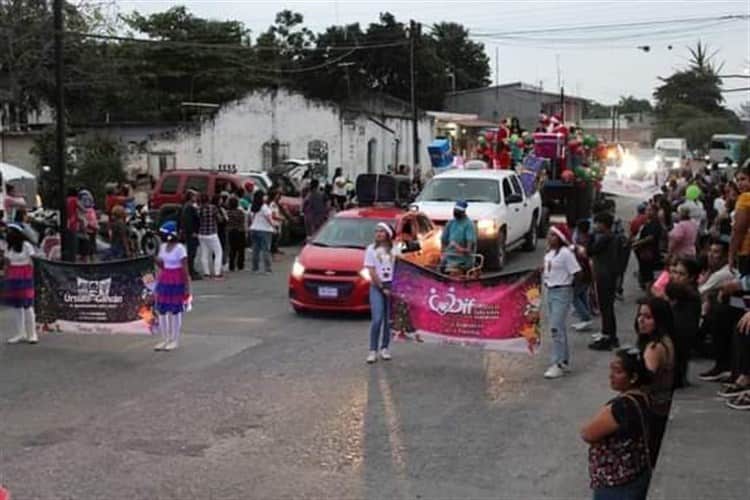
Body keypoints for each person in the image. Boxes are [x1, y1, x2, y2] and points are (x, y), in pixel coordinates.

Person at [581, 348, 654, 500]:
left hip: (616, 485)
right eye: (611, 370)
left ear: (633, 377)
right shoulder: (644, 396)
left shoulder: (621, 407)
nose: (611, 376)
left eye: (618, 371)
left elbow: (588, 433)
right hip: (636, 474)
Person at [634, 296, 675, 463]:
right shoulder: (665, 340)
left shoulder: (654, 348)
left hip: (653, 411)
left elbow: (645, 380)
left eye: (648, 317)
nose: (641, 321)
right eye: (640, 316)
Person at [542, 224, 581, 379]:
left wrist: (572, 290)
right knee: (559, 327)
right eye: (549, 234)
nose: (549, 238)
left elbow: (577, 272)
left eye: (553, 235)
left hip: (562, 291)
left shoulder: (565, 254)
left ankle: (557, 363)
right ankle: (564, 360)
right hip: (550, 290)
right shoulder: (549, 254)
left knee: (555, 328)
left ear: (560, 238)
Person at [697, 239, 739, 381]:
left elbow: (700, 291)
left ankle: (723, 365)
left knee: (718, 315)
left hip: (727, 312)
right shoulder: (714, 271)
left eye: (716, 252)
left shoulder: (724, 273)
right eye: (710, 251)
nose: (711, 255)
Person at [364, 222, 398, 364]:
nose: (378, 234)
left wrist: (394, 287)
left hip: (392, 286)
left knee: (388, 320)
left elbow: (399, 268)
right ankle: (373, 350)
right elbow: (371, 271)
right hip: (377, 286)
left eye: (381, 231)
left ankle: (385, 347)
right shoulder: (370, 249)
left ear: (388, 234)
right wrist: (382, 286)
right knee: (377, 318)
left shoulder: (395, 250)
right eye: (376, 231)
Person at [665, 257, 702, 388]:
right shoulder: (683, 293)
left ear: (691, 278)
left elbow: (668, 288)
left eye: (681, 274)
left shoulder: (688, 293)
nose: (676, 277)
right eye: (675, 272)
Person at [154, 221, 190, 352]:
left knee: (175, 310)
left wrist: (187, 285)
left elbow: (185, 268)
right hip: (164, 278)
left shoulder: (180, 248)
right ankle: (164, 339)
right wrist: (155, 259)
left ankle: (175, 339)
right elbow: (162, 265)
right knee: (162, 310)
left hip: (176, 279)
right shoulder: (162, 247)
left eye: (164, 234)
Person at [588, 212, 621, 351]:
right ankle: (610, 336)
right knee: (607, 308)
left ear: (604, 224)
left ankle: (607, 337)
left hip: (604, 277)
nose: (595, 226)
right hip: (609, 276)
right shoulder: (612, 237)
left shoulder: (605, 238)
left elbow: (590, 250)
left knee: (605, 308)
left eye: (597, 223)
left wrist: (590, 236)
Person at [4, 224, 38, 344]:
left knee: (27, 305)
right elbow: (7, 262)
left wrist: (34, 274)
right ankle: (20, 333)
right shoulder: (9, 247)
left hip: (25, 275)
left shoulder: (27, 246)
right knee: (17, 306)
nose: (7, 234)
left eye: (9, 232)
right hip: (13, 276)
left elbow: (34, 261)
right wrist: (5, 274)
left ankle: (32, 334)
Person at [440, 200, 477, 275]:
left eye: (458, 211)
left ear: (463, 212)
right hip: (449, 257)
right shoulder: (451, 223)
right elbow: (443, 240)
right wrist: (443, 252)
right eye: (455, 210)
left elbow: (469, 250)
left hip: (462, 259)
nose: (456, 213)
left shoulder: (469, 225)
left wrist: (457, 247)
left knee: (452, 273)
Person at [631, 203, 663, 289]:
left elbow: (650, 237)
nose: (647, 212)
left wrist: (637, 243)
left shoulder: (655, 223)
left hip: (649, 252)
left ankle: (649, 294)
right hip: (644, 252)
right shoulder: (648, 222)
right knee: (645, 273)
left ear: (655, 212)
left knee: (648, 275)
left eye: (650, 210)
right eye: (647, 210)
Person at [571, 219, 594, 332]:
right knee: (582, 294)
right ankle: (585, 316)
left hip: (581, 272)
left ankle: (585, 317)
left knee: (573, 296)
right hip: (587, 272)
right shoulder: (589, 239)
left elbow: (580, 257)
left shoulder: (580, 243)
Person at [728, 164, 750, 275]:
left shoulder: (745, 198)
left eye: (743, 179)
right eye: (737, 180)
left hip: (746, 251)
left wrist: (731, 255)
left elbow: (739, 230)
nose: (739, 183)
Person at [249, 191, 276, 274]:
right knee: (266, 250)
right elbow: (268, 218)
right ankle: (268, 269)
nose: (266, 197)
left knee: (255, 250)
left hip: (254, 229)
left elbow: (251, 218)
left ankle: (255, 268)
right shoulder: (264, 207)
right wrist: (274, 227)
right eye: (264, 196)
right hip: (265, 230)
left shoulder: (252, 206)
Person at [197, 193, 224, 280]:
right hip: (212, 233)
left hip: (202, 233)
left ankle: (206, 273)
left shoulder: (199, 209)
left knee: (204, 253)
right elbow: (219, 219)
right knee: (218, 252)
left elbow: (197, 219)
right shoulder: (213, 208)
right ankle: (217, 273)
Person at [179, 190, 201, 280]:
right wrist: (192, 232)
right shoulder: (189, 207)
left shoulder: (188, 206)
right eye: (195, 196)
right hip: (191, 233)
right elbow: (189, 221)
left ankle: (192, 271)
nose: (196, 198)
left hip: (190, 232)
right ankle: (191, 272)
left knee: (192, 252)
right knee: (191, 252)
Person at [226, 196, 247, 272]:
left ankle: (231, 266)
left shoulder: (227, 212)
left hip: (231, 231)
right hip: (240, 231)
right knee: (241, 250)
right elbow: (242, 221)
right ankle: (240, 265)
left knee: (232, 249)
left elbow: (227, 222)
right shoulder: (240, 212)